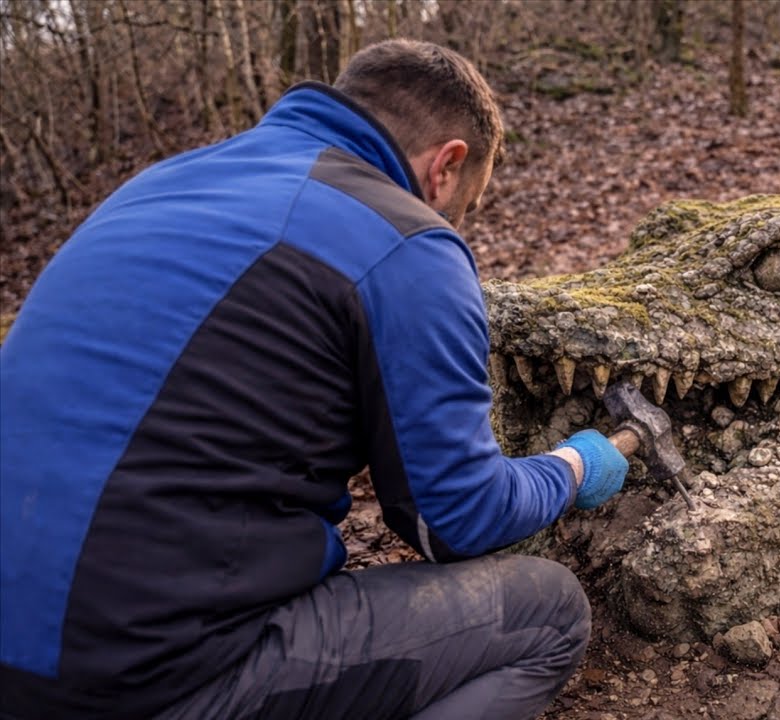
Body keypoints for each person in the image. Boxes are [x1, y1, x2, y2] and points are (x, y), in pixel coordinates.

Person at [0, 39, 629, 719]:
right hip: (145, 678)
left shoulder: (160, 184)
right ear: (447, 165)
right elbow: (453, 522)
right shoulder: (407, 239)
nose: (453, 224)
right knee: (549, 614)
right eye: (464, 207)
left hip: (18, 655)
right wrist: (574, 465)